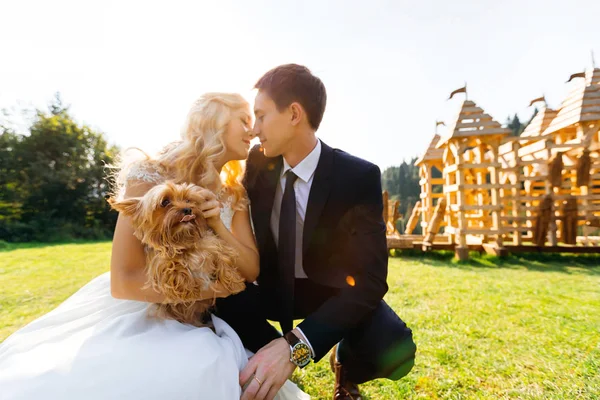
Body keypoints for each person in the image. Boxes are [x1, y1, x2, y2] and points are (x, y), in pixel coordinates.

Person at [0, 93, 308, 400]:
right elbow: (123, 282)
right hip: (145, 305)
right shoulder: (151, 173)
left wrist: (215, 222)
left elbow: (250, 268)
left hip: (207, 314)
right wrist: (211, 292)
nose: (253, 131)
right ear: (215, 121)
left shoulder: (233, 191)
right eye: (243, 120)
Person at [215, 65, 417, 400]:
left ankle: (345, 362)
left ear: (294, 114)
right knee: (220, 298)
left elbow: (370, 281)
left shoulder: (357, 177)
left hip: (329, 290)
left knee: (394, 346)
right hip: (268, 287)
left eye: (262, 116)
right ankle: (267, 357)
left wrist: (299, 344)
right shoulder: (256, 164)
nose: (255, 130)